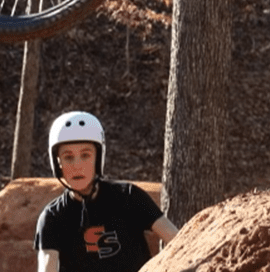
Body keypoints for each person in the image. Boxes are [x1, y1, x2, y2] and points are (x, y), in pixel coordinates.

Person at [35, 111, 178, 272]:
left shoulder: (129, 196)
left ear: (98, 157)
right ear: (57, 163)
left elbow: (178, 241)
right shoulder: (53, 217)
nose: (77, 165)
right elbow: (47, 267)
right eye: (68, 157)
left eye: (85, 155)